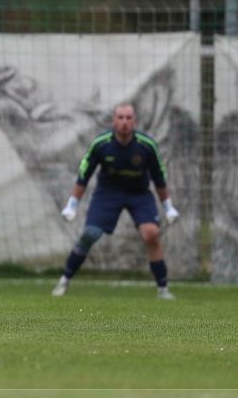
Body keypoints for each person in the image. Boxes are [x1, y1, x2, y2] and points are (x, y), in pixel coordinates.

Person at [52, 103, 180, 299]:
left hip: (139, 194)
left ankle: (163, 288)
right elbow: (84, 174)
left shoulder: (146, 146)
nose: (124, 123)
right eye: (120, 118)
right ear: (114, 120)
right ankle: (64, 280)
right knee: (90, 233)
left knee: (151, 234)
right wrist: (72, 205)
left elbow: (159, 177)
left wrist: (168, 207)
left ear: (134, 121)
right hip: (108, 193)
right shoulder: (101, 144)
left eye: (128, 118)